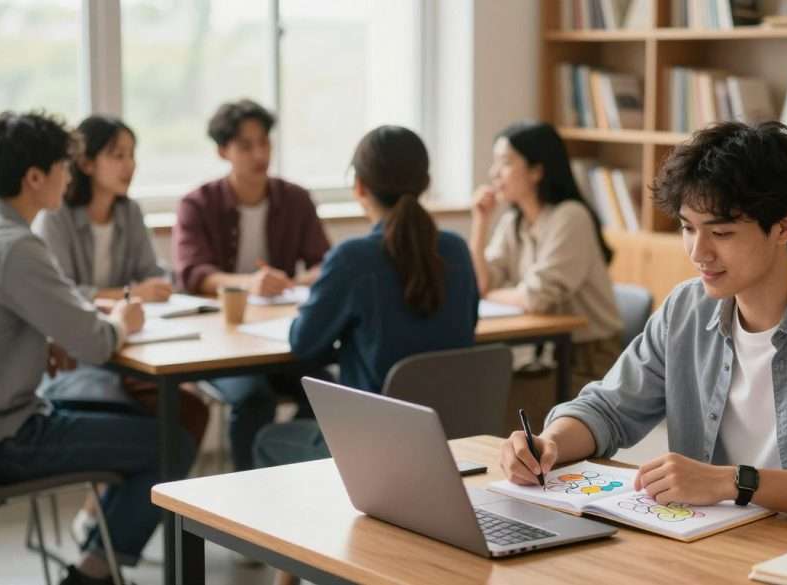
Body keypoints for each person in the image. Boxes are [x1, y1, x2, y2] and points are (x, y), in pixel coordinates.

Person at [499, 121, 787, 526]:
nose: (699, 253)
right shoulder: (686, 308)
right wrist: (550, 442)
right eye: (687, 228)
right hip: (719, 543)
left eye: (721, 233)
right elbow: (608, 407)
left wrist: (732, 481)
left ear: (785, 226)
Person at [0, 111, 195, 585]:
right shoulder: (16, 247)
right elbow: (97, 343)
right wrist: (123, 316)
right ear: (35, 177)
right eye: (64, 165)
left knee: (151, 425)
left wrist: (41, 342)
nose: (70, 173)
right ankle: (93, 571)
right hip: (7, 439)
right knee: (172, 444)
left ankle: (96, 550)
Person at [252, 125, 479, 585]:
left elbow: (303, 343)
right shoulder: (456, 249)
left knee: (266, 440)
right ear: (425, 183)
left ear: (359, 187)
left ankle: (296, 572)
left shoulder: (354, 258)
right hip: (457, 443)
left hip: (375, 455)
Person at [33, 115, 210, 543]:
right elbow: (63, 295)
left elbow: (152, 273)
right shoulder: (54, 218)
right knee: (159, 425)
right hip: (77, 357)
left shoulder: (129, 212)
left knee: (190, 410)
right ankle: (107, 537)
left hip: (128, 351)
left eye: (132, 155)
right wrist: (130, 292)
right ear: (87, 163)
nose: (129, 165)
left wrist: (157, 285)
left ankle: (108, 520)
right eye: (118, 155)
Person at [172, 98, 333, 471]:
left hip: (282, 338)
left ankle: (280, 470)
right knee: (254, 398)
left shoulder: (294, 198)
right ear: (222, 151)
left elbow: (324, 262)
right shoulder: (197, 204)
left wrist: (293, 281)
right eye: (246, 146)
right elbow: (194, 273)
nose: (259, 153)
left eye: (264, 142)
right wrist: (250, 284)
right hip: (220, 342)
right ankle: (246, 496)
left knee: (328, 392)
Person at [469, 121, 622, 396]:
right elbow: (480, 284)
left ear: (536, 171)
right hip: (548, 355)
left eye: (504, 163)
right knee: (481, 396)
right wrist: (480, 222)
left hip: (589, 360)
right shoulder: (513, 221)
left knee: (496, 405)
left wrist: (492, 292)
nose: (494, 173)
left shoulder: (571, 217)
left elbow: (536, 297)